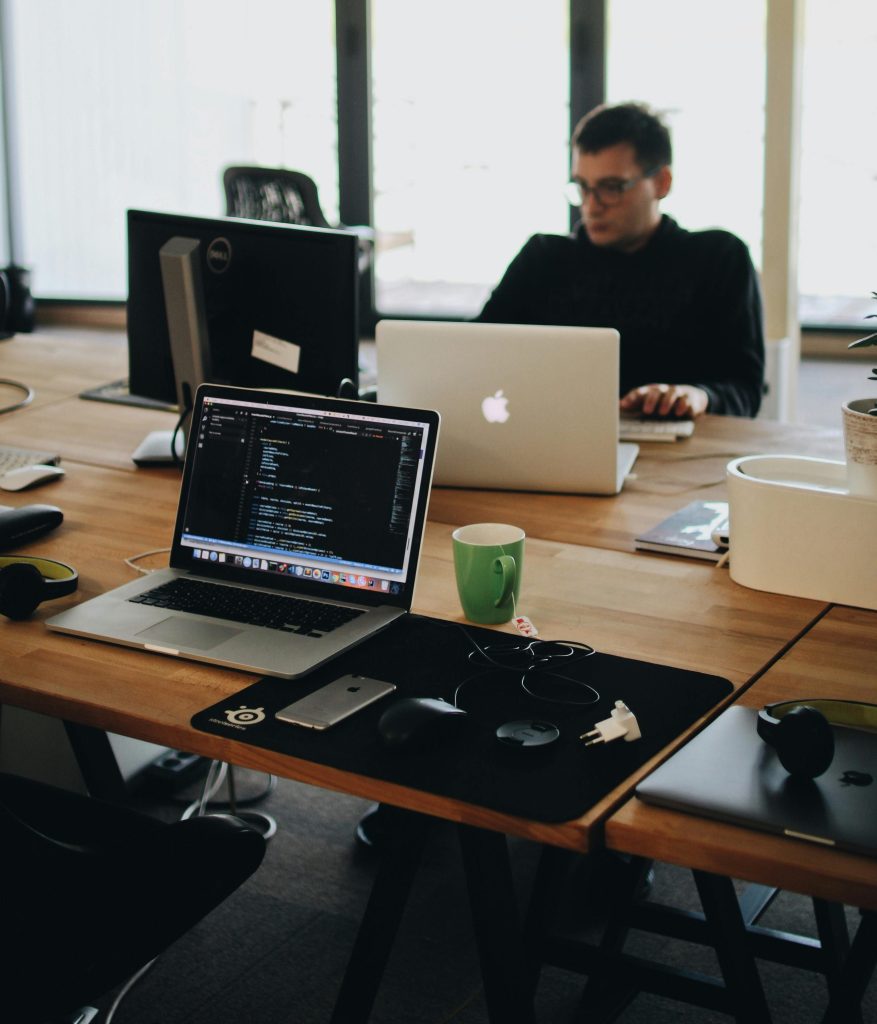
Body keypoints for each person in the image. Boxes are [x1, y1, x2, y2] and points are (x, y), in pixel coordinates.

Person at [477, 101, 765, 419]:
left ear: (662, 183)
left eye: (612, 188)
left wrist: (699, 396)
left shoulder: (719, 259)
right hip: (554, 441)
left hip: (680, 453)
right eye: (583, 187)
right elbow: (475, 353)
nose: (591, 206)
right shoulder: (543, 259)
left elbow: (745, 391)